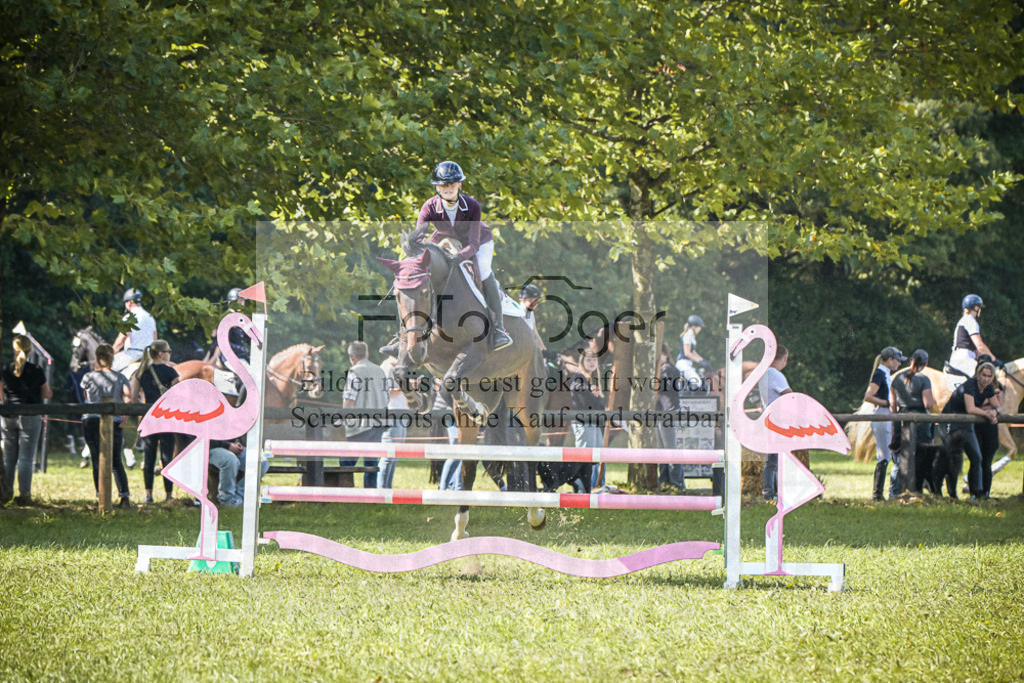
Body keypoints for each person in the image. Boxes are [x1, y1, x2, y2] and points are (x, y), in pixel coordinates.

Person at [410, 160, 511, 350]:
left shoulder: (472, 206)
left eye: (451, 184)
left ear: (459, 185)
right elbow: (420, 236)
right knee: (418, 275)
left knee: (483, 270)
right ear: (437, 187)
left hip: (479, 242)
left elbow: (473, 244)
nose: (447, 188)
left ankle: (499, 329)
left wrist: (458, 258)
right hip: (447, 239)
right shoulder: (429, 207)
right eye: (443, 185)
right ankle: (403, 334)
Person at [1, 335, 53, 505]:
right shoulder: (36, 369)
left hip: (8, 415)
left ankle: (7, 492)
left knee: (9, 459)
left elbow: (1, 393)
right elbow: (45, 393)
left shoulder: (5, 369)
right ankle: (24, 494)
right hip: (30, 416)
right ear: (30, 350)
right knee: (25, 458)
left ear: (14, 349)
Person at [79, 344, 132, 508]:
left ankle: (101, 496)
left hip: (91, 420)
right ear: (112, 358)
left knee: (96, 458)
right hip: (114, 420)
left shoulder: (88, 377)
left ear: (97, 358)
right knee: (116, 460)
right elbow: (128, 397)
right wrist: (124, 417)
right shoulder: (120, 377)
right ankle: (124, 496)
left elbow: (85, 395)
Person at [941, 360, 1000, 500]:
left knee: (977, 458)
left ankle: (977, 493)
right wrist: (987, 414)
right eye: (984, 375)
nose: (986, 379)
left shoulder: (989, 388)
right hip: (951, 421)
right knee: (953, 457)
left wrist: (994, 413)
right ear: (978, 374)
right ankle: (952, 494)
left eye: (989, 376)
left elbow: (997, 406)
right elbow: (971, 408)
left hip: (967, 424)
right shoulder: (970, 385)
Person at [129, 340, 180, 503]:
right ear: (160, 353)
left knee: (149, 456)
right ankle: (169, 495)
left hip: (149, 418)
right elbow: (177, 397)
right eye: (168, 351)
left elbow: (133, 397)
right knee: (167, 457)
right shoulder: (171, 372)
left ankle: (148, 495)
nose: (170, 354)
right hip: (166, 419)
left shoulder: (141, 372)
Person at [339, 341, 388, 488]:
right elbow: (387, 397)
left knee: (346, 461)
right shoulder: (380, 371)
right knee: (371, 463)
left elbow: (349, 400)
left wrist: (343, 420)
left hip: (361, 425)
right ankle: (370, 494)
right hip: (379, 424)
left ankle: (346, 493)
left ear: (351, 357)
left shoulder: (355, 372)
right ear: (367, 354)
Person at [864, 346, 907, 501]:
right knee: (884, 456)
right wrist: (886, 402)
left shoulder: (885, 374)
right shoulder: (880, 374)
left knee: (886, 456)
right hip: (881, 414)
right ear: (890, 360)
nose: (899, 364)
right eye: (898, 361)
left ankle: (879, 493)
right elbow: (868, 396)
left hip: (885, 415)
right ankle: (877, 494)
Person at [890, 349, 936, 491]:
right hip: (920, 420)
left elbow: (893, 404)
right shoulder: (923, 379)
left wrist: (894, 423)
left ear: (910, 360)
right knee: (921, 454)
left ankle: (895, 490)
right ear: (925, 364)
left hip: (901, 418)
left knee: (900, 455)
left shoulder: (897, 378)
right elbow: (928, 403)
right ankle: (917, 488)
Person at [757, 344, 793, 502]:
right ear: (784, 358)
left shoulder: (763, 373)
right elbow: (790, 396)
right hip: (778, 422)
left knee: (772, 460)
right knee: (774, 460)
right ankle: (770, 493)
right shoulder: (775, 374)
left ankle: (771, 492)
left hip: (769, 420)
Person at [567, 351, 604, 491]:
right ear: (582, 362)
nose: (592, 363)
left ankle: (595, 486)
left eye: (594, 360)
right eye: (588, 360)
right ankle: (582, 489)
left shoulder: (593, 380)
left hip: (594, 423)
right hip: (583, 422)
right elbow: (578, 390)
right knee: (584, 458)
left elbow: (596, 404)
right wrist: (591, 391)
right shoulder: (579, 377)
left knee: (597, 456)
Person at [946, 294, 994, 392]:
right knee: (984, 378)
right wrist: (994, 359)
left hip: (964, 357)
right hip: (964, 359)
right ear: (976, 308)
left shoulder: (965, 320)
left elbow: (977, 351)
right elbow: (980, 345)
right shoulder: (970, 320)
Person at [655, 344, 685, 490]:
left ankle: (677, 482)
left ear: (665, 354)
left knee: (670, 448)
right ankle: (665, 480)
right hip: (663, 411)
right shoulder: (663, 368)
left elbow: (664, 387)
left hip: (668, 411)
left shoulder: (667, 368)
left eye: (659, 354)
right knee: (663, 448)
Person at [377, 348, 407, 489]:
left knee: (395, 455)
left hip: (400, 413)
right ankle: (382, 489)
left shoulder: (395, 369)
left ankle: (387, 487)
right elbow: (385, 392)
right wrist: (403, 387)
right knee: (388, 455)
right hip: (391, 414)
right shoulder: (385, 369)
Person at [112, 288, 157, 374]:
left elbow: (121, 341)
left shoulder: (128, 318)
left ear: (129, 303)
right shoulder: (150, 317)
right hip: (149, 355)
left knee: (107, 367)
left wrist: (111, 352)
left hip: (133, 354)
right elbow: (155, 339)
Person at [676, 315, 708, 391]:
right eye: (699, 327)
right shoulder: (687, 335)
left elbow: (692, 351)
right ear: (694, 327)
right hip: (683, 364)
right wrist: (699, 361)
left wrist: (703, 360)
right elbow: (687, 353)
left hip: (688, 364)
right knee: (698, 382)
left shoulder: (691, 335)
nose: (700, 329)